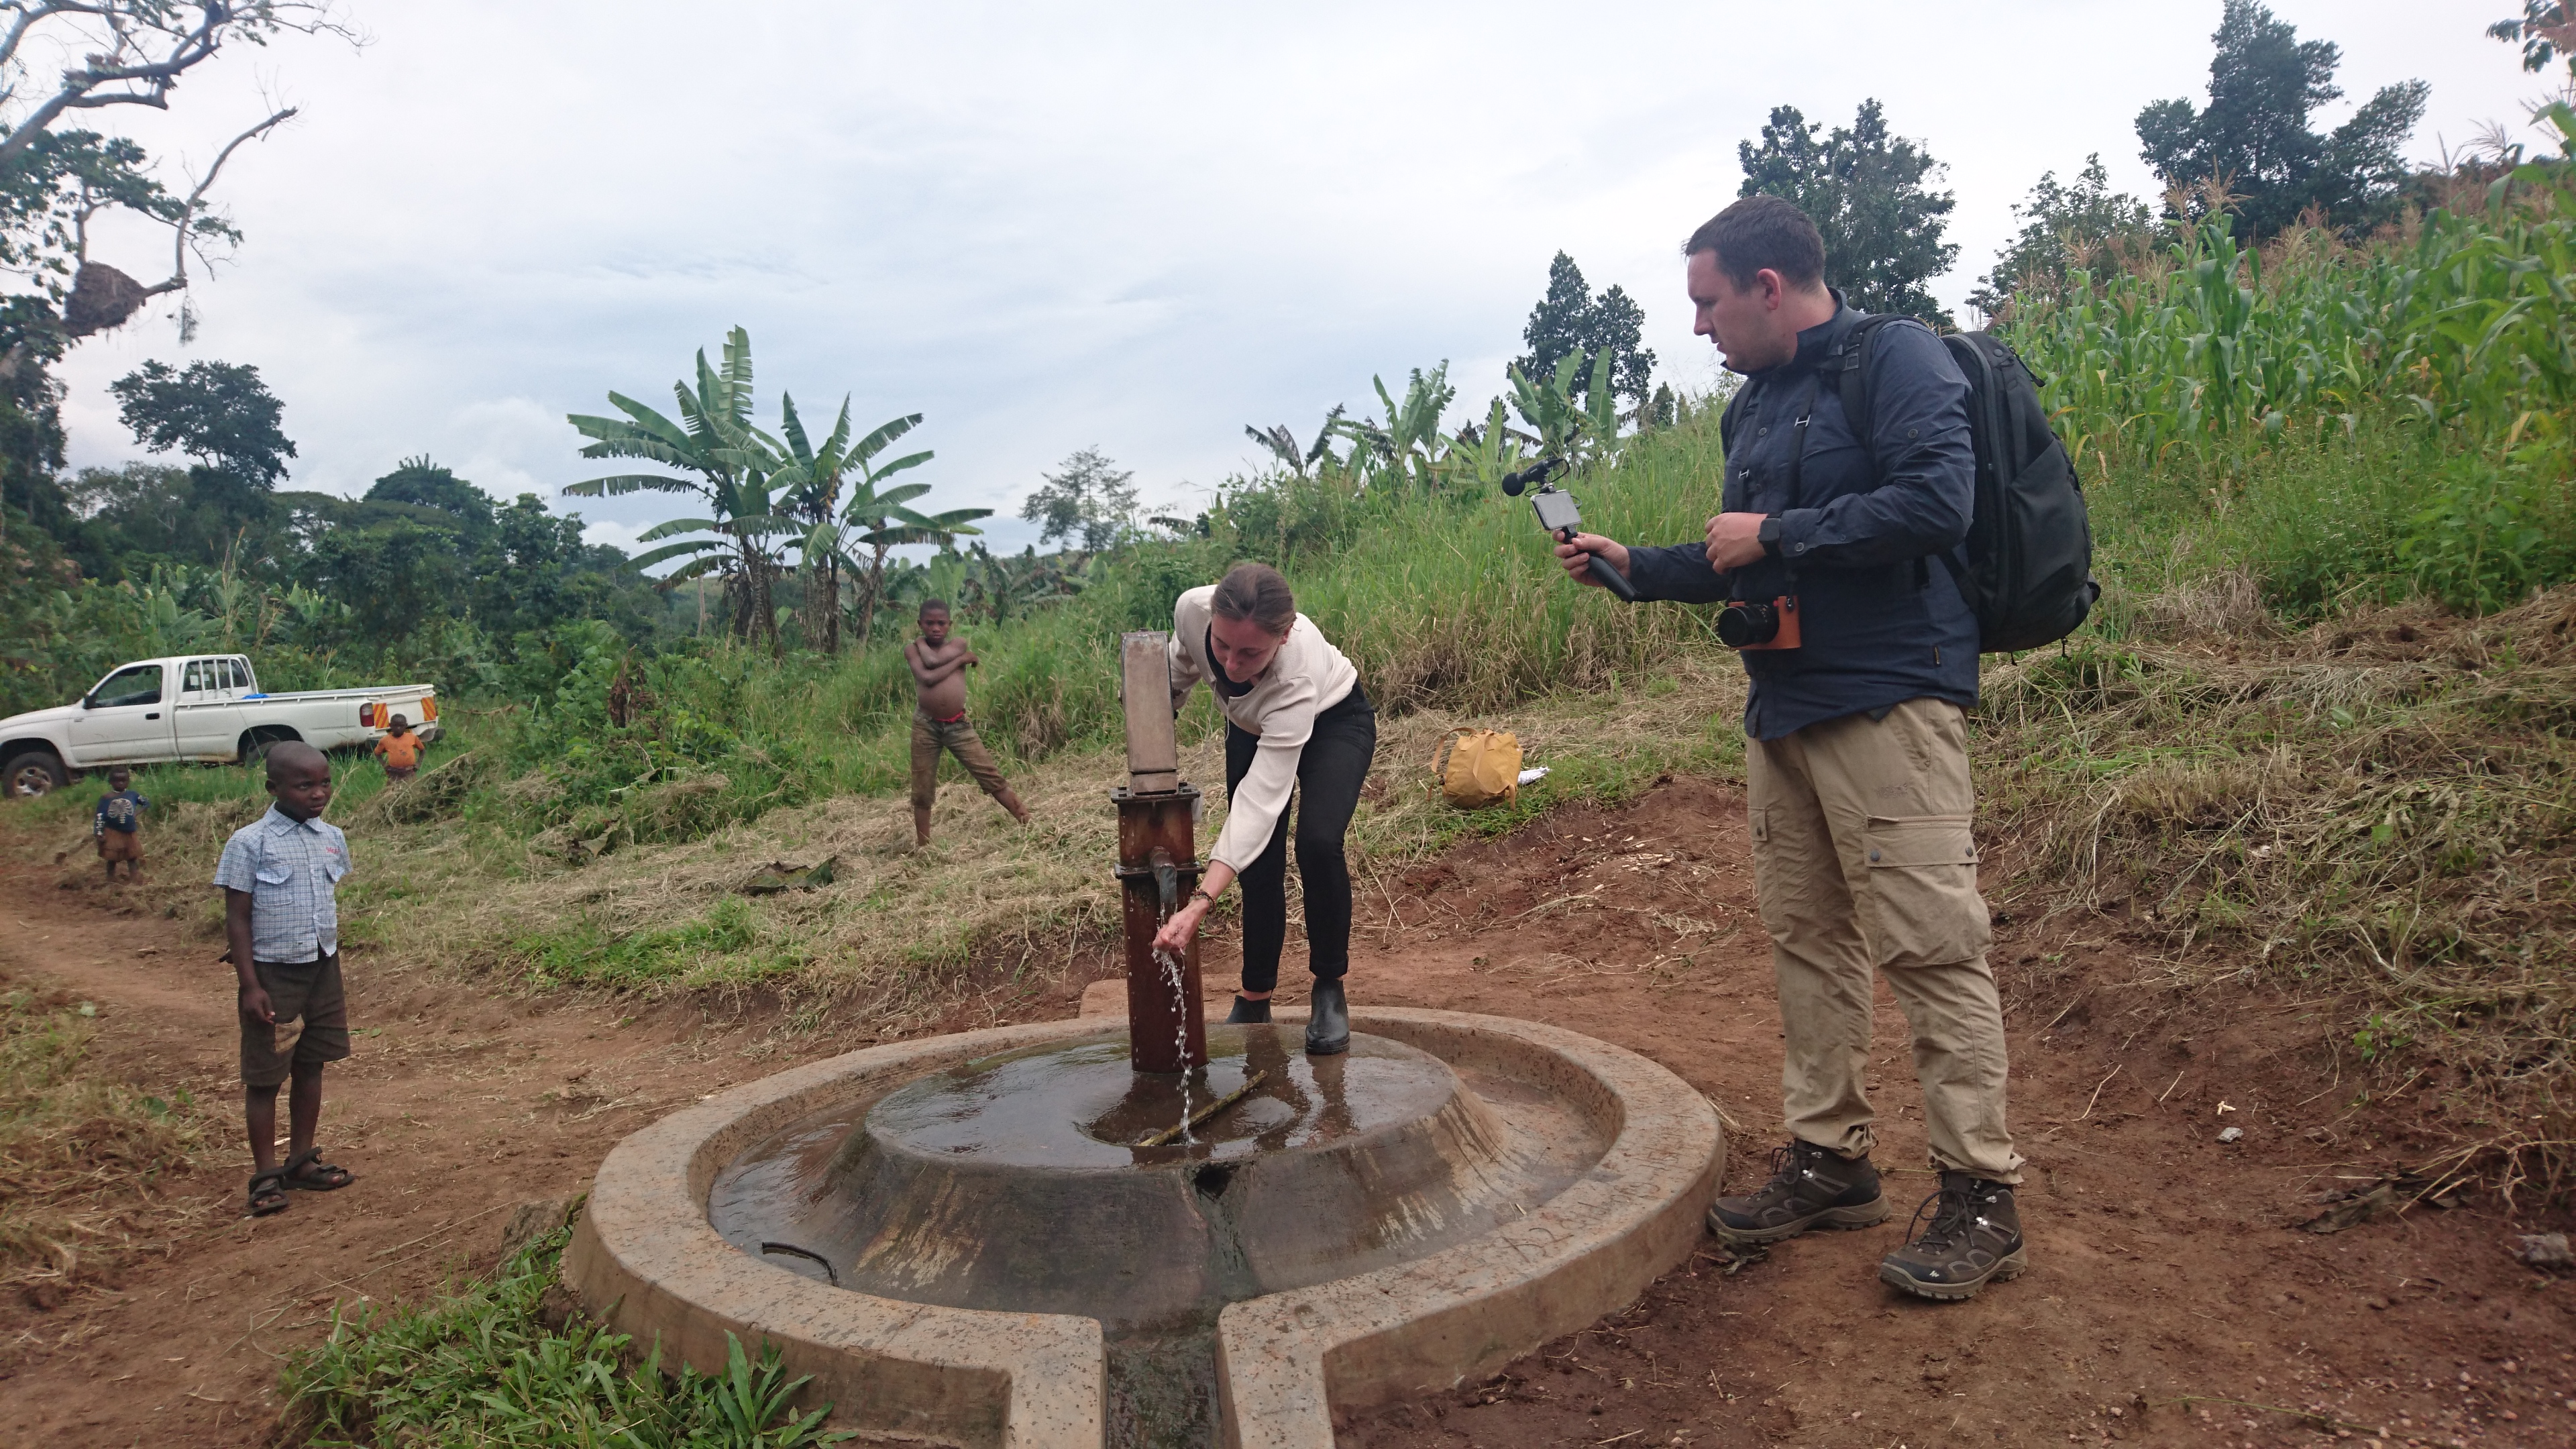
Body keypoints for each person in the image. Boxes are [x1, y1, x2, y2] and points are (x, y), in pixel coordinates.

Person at [1553, 195, 2026, 1301]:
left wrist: (1777, 531)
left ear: (1769, 287)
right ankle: (1831, 1161)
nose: (1700, 327)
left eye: (1708, 303)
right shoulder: (1753, 406)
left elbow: (1937, 502)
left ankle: (1983, 1193)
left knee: (1929, 946)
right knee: (1809, 941)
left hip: (1889, 701)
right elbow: (1745, 559)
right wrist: (1640, 566)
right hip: (1784, 708)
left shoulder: (1896, 357)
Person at [1148, 563, 1376, 1055]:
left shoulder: (1296, 677)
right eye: (1222, 645)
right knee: (1257, 863)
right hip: (1252, 725)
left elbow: (1258, 805)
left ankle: (1329, 986)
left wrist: (1201, 902)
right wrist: (1153, 718)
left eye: (1250, 653)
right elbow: (1178, 667)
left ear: (1284, 635)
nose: (1232, 665)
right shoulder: (1192, 609)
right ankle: (1255, 998)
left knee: (1318, 843)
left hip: (1335, 719)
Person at [215, 741, 358, 1217]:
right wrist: (250, 985)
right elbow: (237, 918)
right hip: (273, 974)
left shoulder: (332, 837)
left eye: (324, 783)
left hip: (322, 967)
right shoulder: (249, 843)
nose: (318, 793)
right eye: (304, 785)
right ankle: (266, 1175)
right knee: (265, 1077)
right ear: (272, 788)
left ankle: (300, 1161)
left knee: (311, 1065)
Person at [905, 599, 1031, 847]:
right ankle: (924, 847)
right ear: (920, 624)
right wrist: (960, 661)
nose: (936, 628)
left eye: (941, 623)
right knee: (922, 789)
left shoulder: (959, 644)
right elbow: (927, 674)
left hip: (958, 726)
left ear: (950, 624)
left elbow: (933, 663)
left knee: (990, 775)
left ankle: (1027, 821)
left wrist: (956, 655)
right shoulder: (913, 650)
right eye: (929, 624)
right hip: (926, 726)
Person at [93, 766, 147, 883]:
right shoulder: (106, 798)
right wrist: (99, 832)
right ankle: (110, 879)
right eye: (117, 780)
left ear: (128, 781)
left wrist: (136, 813)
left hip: (129, 832)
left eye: (124, 780)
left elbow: (146, 803)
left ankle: (135, 878)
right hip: (112, 832)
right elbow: (100, 816)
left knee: (132, 856)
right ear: (111, 782)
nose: (121, 783)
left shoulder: (133, 795)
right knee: (112, 857)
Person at [374, 713, 424, 781]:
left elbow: (422, 750)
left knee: (412, 787)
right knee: (393, 787)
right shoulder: (385, 740)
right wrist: (384, 765)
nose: (398, 728)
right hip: (393, 773)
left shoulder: (412, 737)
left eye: (401, 726)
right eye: (395, 725)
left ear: (406, 726)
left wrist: (418, 764)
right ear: (390, 725)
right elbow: (377, 753)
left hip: (409, 772)